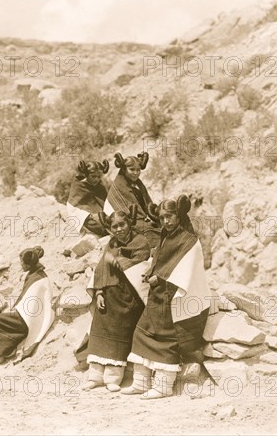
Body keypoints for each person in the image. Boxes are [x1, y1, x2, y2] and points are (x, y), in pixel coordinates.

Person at [122, 195, 211, 399]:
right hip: (158, 296)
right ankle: (140, 383)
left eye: (169, 217)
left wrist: (160, 278)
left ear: (178, 216)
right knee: (141, 333)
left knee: (166, 339)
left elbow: (185, 269)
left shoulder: (189, 240)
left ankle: (163, 387)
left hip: (174, 298)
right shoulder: (166, 236)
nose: (165, 221)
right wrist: (151, 273)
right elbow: (160, 260)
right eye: (162, 218)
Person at [83, 205, 152, 392]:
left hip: (129, 297)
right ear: (110, 229)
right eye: (114, 227)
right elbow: (102, 269)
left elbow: (140, 263)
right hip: (108, 295)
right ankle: (95, 376)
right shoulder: (112, 244)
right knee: (100, 330)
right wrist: (98, 293)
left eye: (122, 225)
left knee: (119, 334)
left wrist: (118, 261)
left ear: (129, 223)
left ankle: (113, 378)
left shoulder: (140, 241)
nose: (119, 229)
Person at [0, 246, 55, 367]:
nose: (21, 265)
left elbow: (33, 307)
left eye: (22, 263)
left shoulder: (38, 278)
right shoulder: (34, 274)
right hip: (25, 314)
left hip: (28, 320)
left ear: (28, 264)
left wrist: (15, 311)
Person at [104, 152, 161, 248]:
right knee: (147, 231)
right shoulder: (119, 185)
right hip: (122, 220)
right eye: (132, 169)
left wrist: (154, 214)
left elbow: (146, 202)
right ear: (123, 169)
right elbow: (126, 214)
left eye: (138, 170)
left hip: (139, 217)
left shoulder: (138, 183)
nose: (136, 173)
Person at [66, 160, 110, 236]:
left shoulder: (100, 186)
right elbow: (74, 206)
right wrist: (90, 215)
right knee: (92, 222)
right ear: (87, 175)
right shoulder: (79, 185)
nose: (96, 179)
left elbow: (105, 202)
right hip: (82, 214)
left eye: (99, 176)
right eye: (93, 176)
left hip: (100, 214)